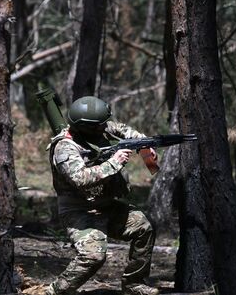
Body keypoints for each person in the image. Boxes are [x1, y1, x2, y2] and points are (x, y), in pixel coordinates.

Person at [45, 96, 159, 295]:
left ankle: (134, 284)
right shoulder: (64, 147)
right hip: (79, 211)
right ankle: (55, 291)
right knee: (93, 257)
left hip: (106, 205)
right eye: (99, 125)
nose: (105, 127)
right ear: (84, 127)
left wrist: (143, 144)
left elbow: (124, 130)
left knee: (143, 228)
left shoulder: (100, 127)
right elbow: (80, 178)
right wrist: (114, 162)